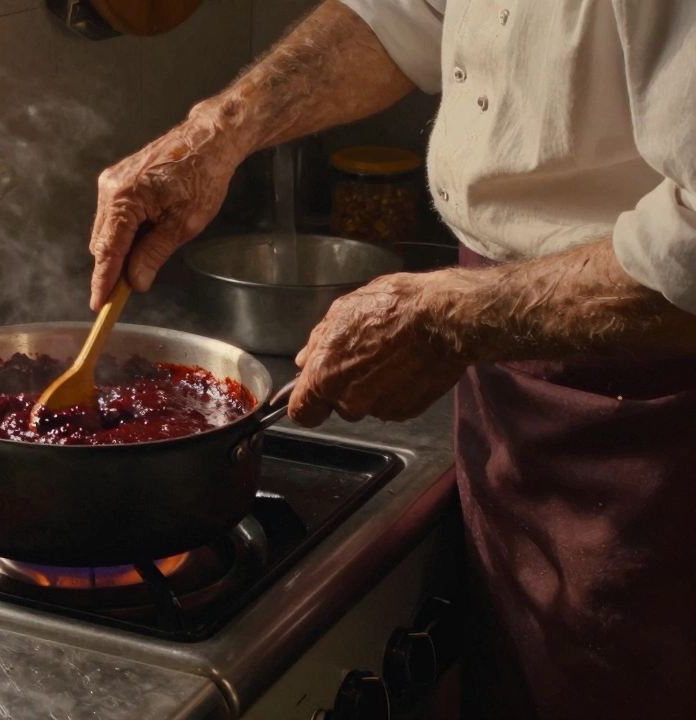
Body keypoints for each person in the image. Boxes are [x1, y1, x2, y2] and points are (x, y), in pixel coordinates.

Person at [88, 1, 696, 717]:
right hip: (512, 386)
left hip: (662, 403)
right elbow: (406, 13)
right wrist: (217, 131)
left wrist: (455, 318)